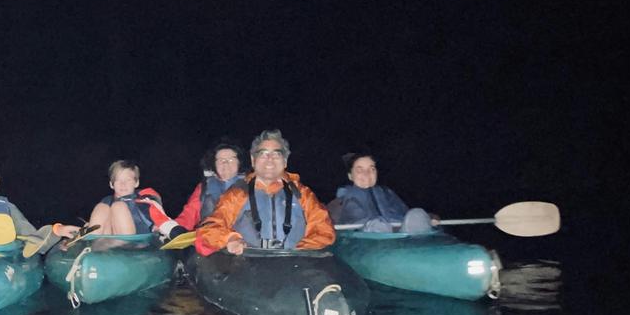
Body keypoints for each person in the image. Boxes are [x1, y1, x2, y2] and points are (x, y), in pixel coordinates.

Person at [195, 130, 335, 256]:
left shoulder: (303, 194)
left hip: (295, 264)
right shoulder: (237, 194)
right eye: (263, 153)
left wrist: (299, 252)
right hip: (250, 267)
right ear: (253, 160)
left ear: (285, 161)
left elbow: (323, 230)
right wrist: (230, 238)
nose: (270, 159)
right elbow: (211, 227)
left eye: (276, 154)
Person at [146, 138, 244, 239]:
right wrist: (167, 227)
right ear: (214, 164)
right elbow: (189, 216)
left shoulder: (251, 186)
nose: (226, 164)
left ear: (239, 162)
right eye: (220, 160)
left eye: (231, 160)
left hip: (246, 246)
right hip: (211, 246)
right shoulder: (204, 188)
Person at [327, 152, 436, 233]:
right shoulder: (340, 202)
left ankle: (419, 243)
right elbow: (324, 222)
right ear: (350, 176)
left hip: (401, 235)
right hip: (364, 238)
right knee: (377, 225)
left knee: (417, 213)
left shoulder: (388, 194)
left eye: (372, 169)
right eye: (360, 170)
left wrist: (430, 217)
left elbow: (408, 215)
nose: (367, 173)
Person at [86, 160, 164, 235]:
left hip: (138, 242)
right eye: (118, 180)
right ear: (111, 184)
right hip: (109, 241)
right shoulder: (106, 201)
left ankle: (125, 245)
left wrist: (159, 226)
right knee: (101, 207)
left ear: (136, 183)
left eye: (128, 180)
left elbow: (158, 218)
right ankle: (91, 241)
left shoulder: (144, 198)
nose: (123, 184)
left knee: (118, 206)